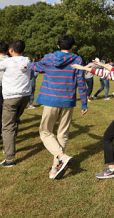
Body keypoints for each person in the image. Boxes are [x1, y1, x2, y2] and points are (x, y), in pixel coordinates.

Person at [26, 34, 88, 179]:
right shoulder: (77, 60)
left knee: (45, 132)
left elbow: (36, 66)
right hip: (68, 101)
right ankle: (55, 167)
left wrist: (26, 65)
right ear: (72, 46)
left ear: (58, 46)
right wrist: (84, 103)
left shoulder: (48, 58)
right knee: (62, 134)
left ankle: (61, 158)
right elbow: (81, 82)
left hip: (50, 101)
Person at [0, 40, 31, 167]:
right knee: (15, 121)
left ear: (11, 50)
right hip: (25, 96)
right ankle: (10, 146)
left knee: (8, 126)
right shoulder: (27, 60)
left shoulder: (8, 61)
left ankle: (9, 158)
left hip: (11, 97)